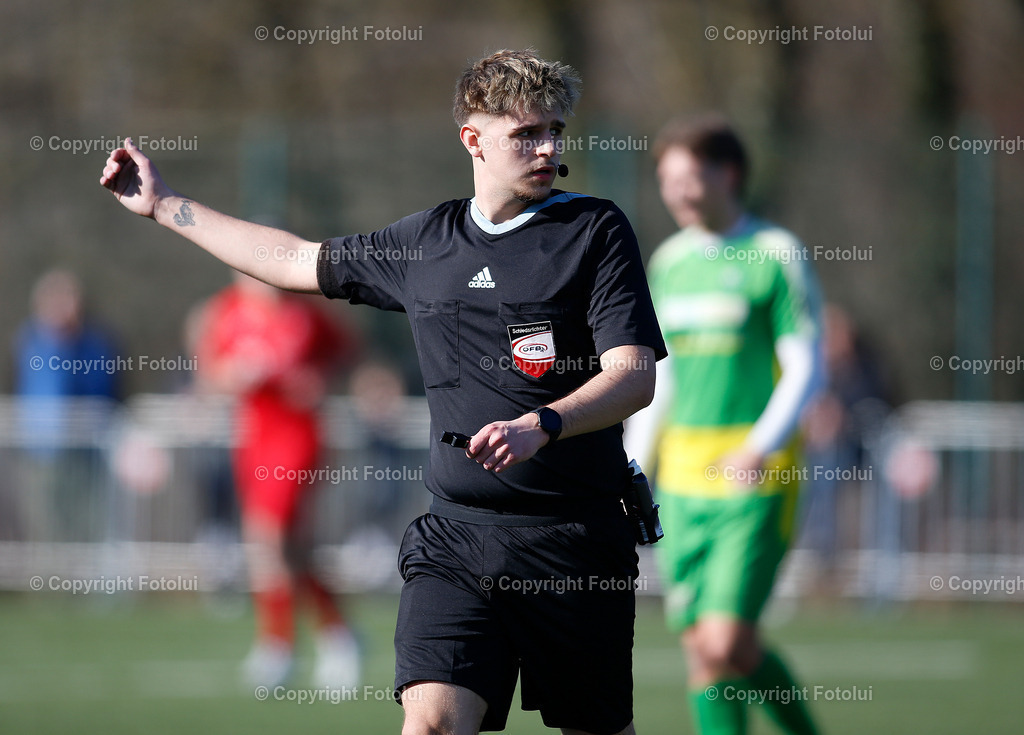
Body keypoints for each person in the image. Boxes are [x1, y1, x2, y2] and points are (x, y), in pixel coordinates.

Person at [100, 49, 665, 735]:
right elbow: (291, 260)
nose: (546, 147)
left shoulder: (596, 232)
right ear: (473, 139)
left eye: (554, 131)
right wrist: (164, 206)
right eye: (526, 133)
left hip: (574, 544)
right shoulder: (425, 243)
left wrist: (542, 422)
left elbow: (634, 375)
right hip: (457, 537)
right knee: (427, 723)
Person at [624, 118, 824, 735]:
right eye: (666, 181)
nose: (677, 192)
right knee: (708, 656)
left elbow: (804, 365)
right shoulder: (670, 262)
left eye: (689, 177)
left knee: (725, 640)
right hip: (683, 483)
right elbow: (663, 380)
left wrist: (762, 445)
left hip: (753, 479)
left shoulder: (776, 254)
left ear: (728, 174)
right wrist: (632, 465)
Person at [190, 271, 361, 689]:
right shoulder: (224, 311)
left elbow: (346, 352)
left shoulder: (304, 314)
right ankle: (338, 634)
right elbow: (208, 374)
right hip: (254, 436)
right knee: (293, 547)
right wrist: (233, 375)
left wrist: (319, 379)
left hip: (298, 434)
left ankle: (277, 646)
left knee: (265, 536)